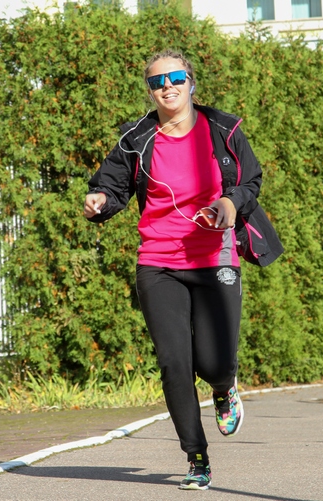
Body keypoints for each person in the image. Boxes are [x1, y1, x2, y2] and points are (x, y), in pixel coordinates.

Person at [84, 49, 277, 490]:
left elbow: (250, 180)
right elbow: (111, 185)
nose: (166, 86)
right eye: (157, 81)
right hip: (158, 262)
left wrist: (229, 203)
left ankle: (224, 386)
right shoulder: (136, 137)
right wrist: (100, 201)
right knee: (174, 362)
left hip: (215, 258)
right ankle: (197, 457)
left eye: (175, 78)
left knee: (215, 362)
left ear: (191, 82)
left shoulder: (223, 129)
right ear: (150, 90)